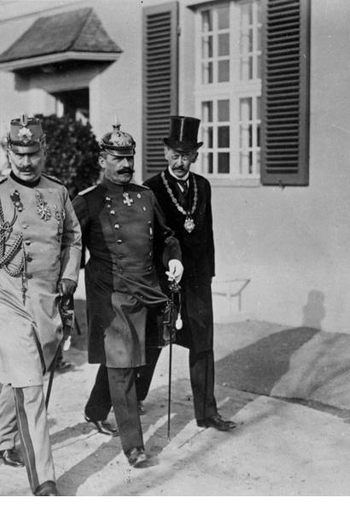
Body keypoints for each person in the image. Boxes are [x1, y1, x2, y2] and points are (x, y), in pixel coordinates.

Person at [0, 115, 81, 496]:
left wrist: (71, 275)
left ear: (44, 152)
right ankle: (44, 479)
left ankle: (1, 436)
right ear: (8, 151)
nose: (25, 162)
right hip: (4, 297)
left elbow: (73, 238)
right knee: (30, 384)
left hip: (46, 301)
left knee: (26, 374)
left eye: (33, 154)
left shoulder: (58, 192)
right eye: (18, 154)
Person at [72, 122, 183, 468]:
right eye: (116, 159)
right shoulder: (87, 201)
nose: (124, 165)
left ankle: (94, 410)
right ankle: (134, 446)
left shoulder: (146, 197)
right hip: (113, 294)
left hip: (149, 291)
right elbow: (69, 244)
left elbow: (166, 237)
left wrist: (175, 258)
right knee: (121, 364)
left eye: (129, 159)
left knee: (146, 356)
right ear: (102, 160)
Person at [138, 116, 236, 431]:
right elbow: (149, 239)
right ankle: (136, 397)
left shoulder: (202, 186)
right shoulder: (151, 188)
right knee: (154, 339)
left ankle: (206, 412)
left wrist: (207, 274)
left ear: (195, 155)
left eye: (187, 155)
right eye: (175, 154)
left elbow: (206, 233)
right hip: (163, 279)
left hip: (196, 280)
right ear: (166, 153)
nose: (181, 162)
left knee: (202, 342)